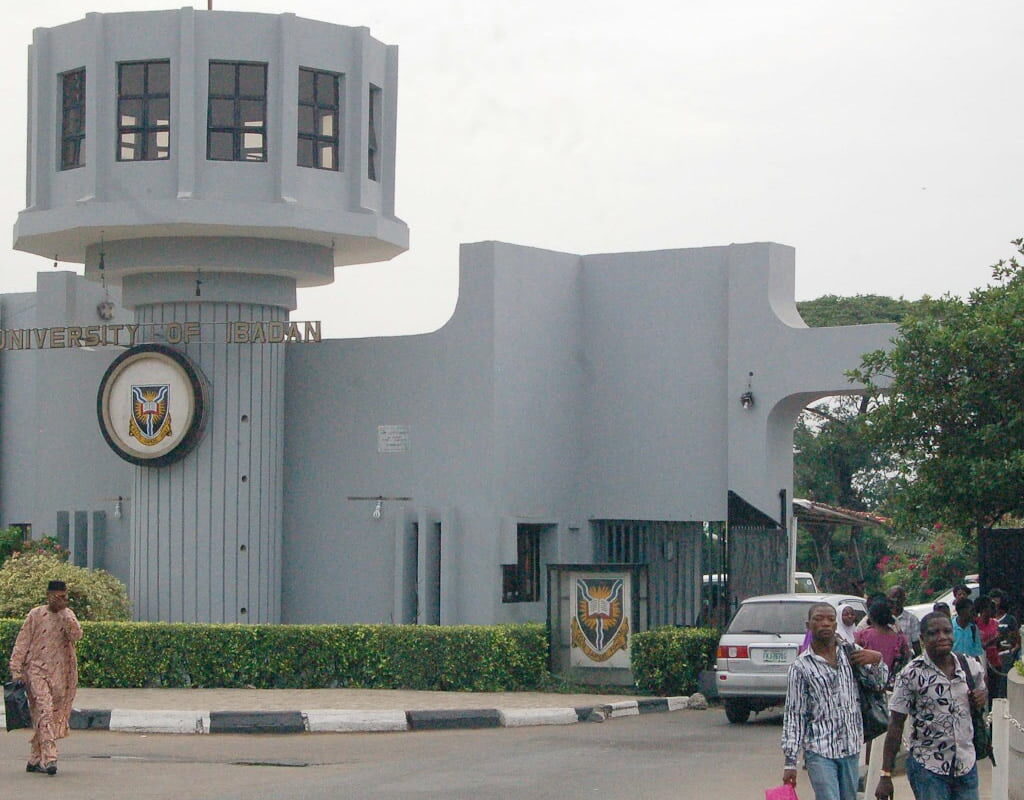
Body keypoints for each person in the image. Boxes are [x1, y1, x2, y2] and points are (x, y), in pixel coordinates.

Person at [874, 612, 987, 800]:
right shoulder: (911, 674)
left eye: (947, 631)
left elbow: (982, 691)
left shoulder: (968, 665)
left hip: (966, 765)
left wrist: (981, 697)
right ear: (922, 639)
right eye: (934, 633)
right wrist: (885, 774)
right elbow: (895, 724)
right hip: (928, 769)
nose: (942, 637)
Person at [782, 603, 887, 800]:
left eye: (830, 619)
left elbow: (878, 684)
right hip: (819, 749)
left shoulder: (851, 653)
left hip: (851, 746)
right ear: (808, 625)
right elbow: (795, 715)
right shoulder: (800, 667)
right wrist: (790, 762)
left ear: (836, 625)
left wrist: (877, 660)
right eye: (819, 619)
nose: (825, 624)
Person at [8, 580, 83, 776]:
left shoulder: (67, 615)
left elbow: (76, 635)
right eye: (56, 596)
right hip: (35, 670)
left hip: (61, 674)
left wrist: (65, 614)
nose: (59, 600)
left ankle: (34, 758)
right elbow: (22, 642)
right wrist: (16, 669)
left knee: (51, 714)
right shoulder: (35, 615)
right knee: (44, 710)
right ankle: (50, 757)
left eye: (63, 597)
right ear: (48, 595)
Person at [855, 598, 911, 681]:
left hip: (867, 684)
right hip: (891, 684)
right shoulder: (899, 638)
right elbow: (906, 658)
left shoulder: (863, 635)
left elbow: (854, 657)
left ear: (871, 616)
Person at [987, 588, 1020, 699]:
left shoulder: (1010, 619)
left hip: (1005, 657)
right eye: (992, 600)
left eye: (997, 599)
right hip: (990, 658)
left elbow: (1016, 642)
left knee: (1003, 688)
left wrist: (1011, 654)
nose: (995, 603)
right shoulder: (987, 620)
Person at [887, 585, 921, 655]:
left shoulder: (912, 619)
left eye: (899, 597)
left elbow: (916, 644)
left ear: (904, 599)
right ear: (888, 599)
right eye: (893, 597)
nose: (896, 600)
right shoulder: (882, 618)